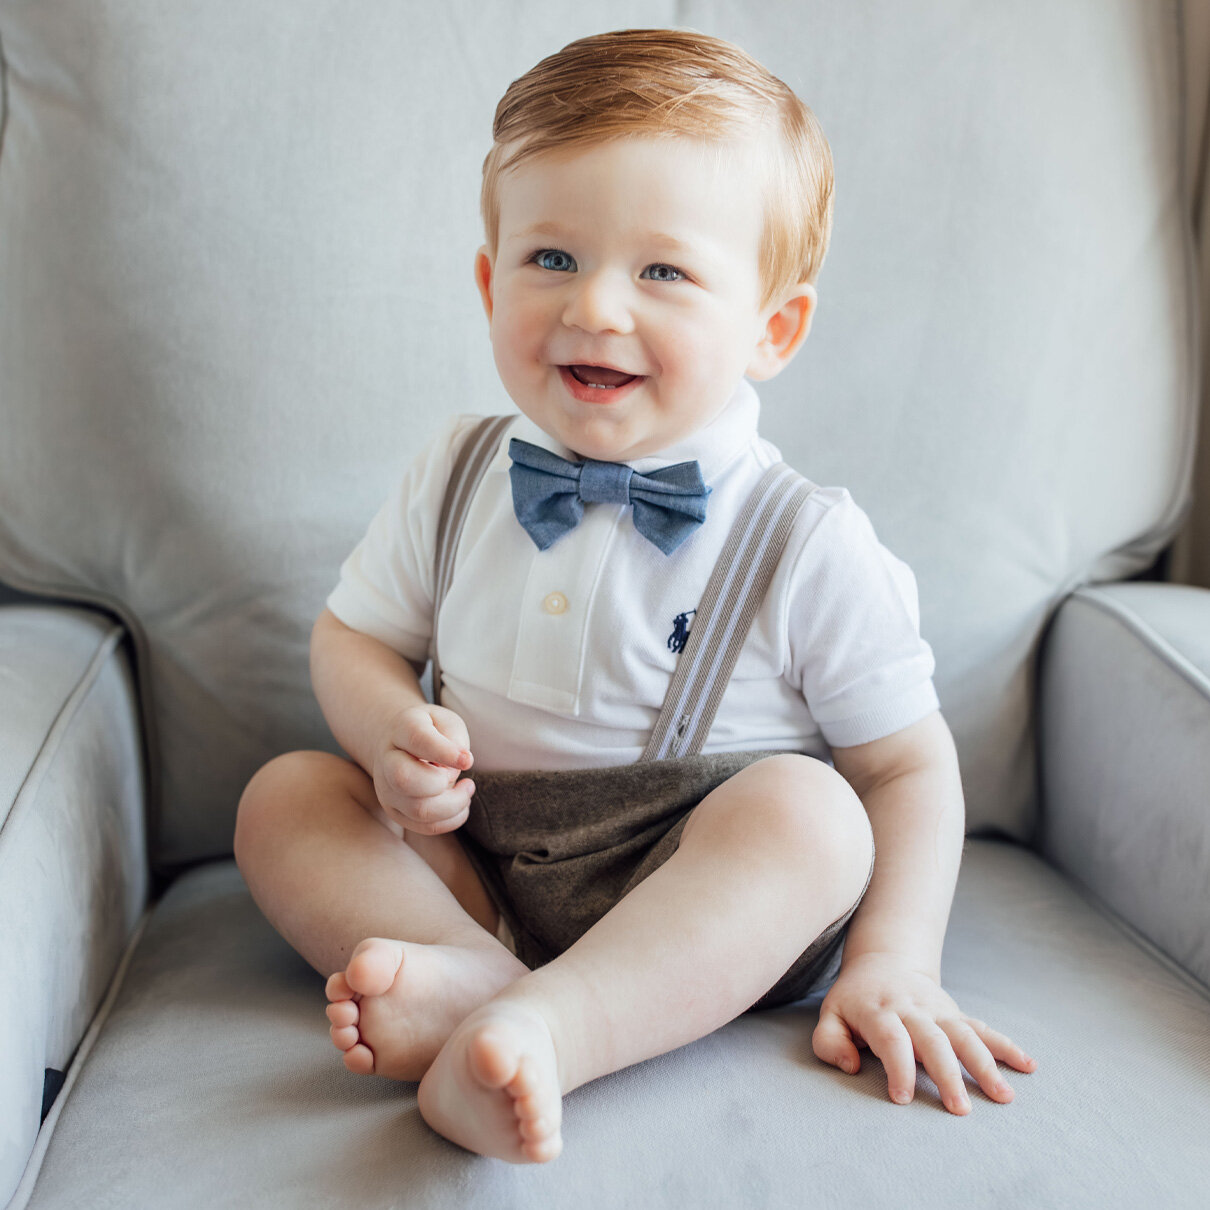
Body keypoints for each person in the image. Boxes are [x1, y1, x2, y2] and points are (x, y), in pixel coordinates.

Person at [233, 28, 1036, 1164]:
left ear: (772, 328)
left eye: (661, 271)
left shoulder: (804, 537)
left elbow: (906, 768)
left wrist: (892, 962)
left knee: (812, 818)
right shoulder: (458, 472)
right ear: (487, 278)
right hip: (479, 869)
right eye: (550, 258)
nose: (596, 308)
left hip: (701, 895)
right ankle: (484, 979)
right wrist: (387, 731)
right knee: (286, 798)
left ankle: (552, 1029)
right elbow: (352, 637)